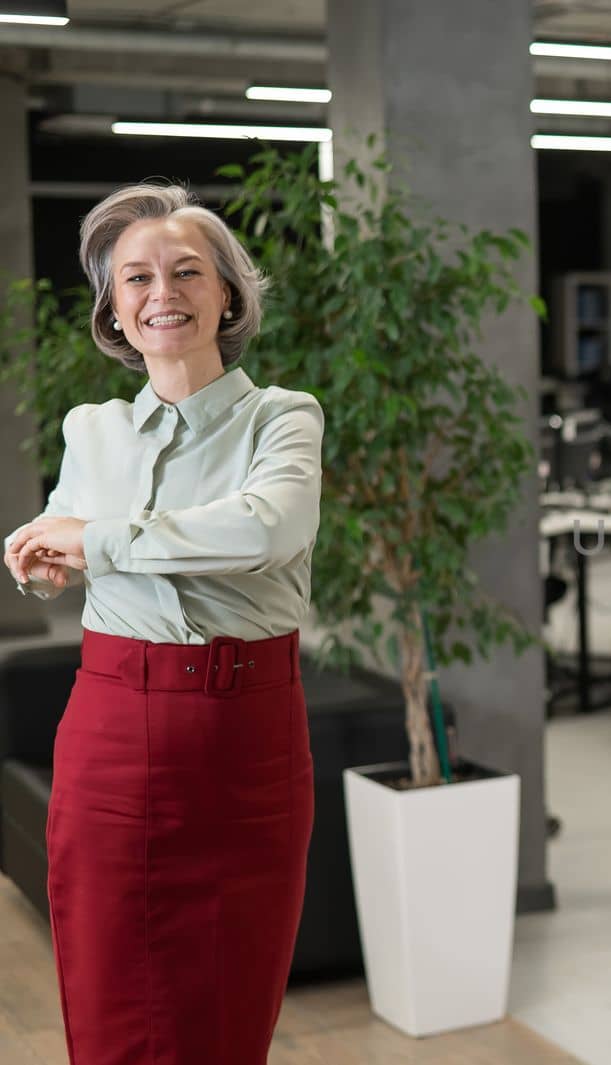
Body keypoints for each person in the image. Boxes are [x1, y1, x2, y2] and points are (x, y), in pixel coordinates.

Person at [3, 183, 323, 1065]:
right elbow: (63, 549)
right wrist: (40, 554)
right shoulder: (90, 428)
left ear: (228, 293)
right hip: (113, 729)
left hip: (246, 736)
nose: (161, 292)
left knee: (228, 1007)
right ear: (115, 309)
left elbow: (266, 529)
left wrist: (97, 541)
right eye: (136, 277)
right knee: (110, 1000)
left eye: (186, 271)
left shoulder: (283, 417)